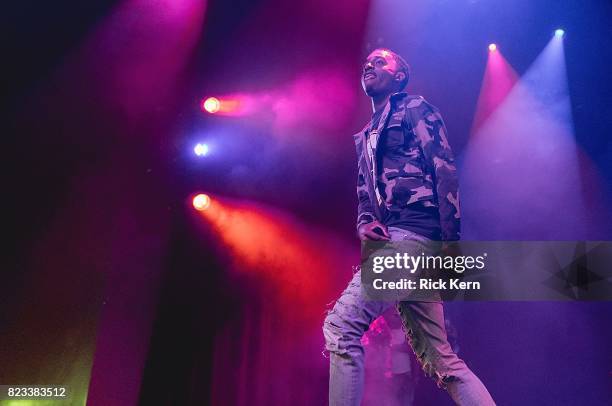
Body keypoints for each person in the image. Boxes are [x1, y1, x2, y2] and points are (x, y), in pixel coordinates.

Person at [323, 48, 495, 405]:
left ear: (400, 76)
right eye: (367, 61)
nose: (369, 64)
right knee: (443, 363)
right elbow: (365, 193)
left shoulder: (414, 108)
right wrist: (365, 221)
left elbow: (444, 169)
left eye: (381, 61)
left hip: (414, 239)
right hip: (403, 242)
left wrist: (451, 245)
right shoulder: (367, 135)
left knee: (341, 327)